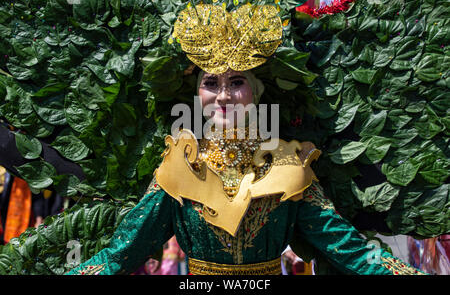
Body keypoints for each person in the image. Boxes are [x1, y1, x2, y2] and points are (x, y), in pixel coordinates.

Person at [66, 63, 424, 275]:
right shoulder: (181, 164)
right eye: (211, 83)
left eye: (236, 82)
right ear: (197, 95)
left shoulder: (287, 164)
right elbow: (122, 252)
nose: (223, 96)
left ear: (256, 90)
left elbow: (347, 248)